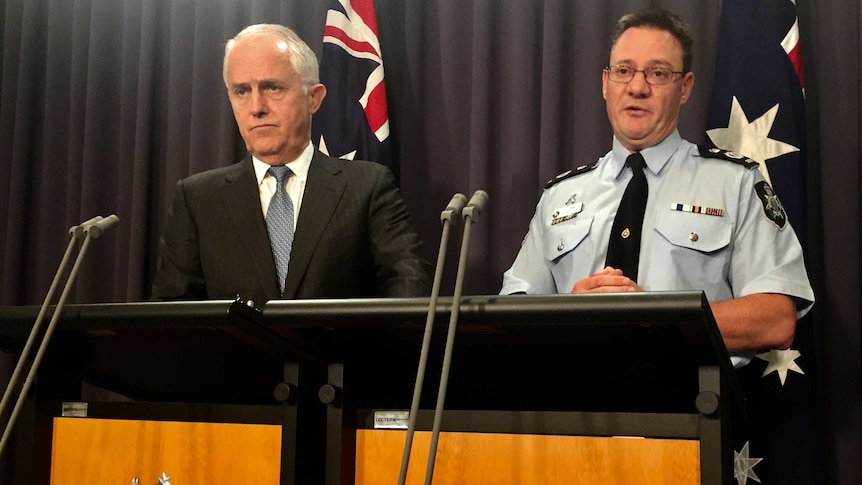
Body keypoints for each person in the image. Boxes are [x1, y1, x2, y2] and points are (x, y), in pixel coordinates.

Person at [500, 10, 814, 365]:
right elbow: (510, 315)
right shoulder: (559, 196)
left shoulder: (736, 183)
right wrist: (569, 312)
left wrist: (653, 319)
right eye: (623, 71)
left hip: (691, 405)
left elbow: (775, 318)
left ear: (686, 87)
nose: (637, 87)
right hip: (571, 409)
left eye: (658, 73)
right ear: (605, 83)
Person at [152, 24, 431, 306]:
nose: (256, 107)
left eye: (271, 87)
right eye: (241, 91)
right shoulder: (198, 199)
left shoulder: (366, 187)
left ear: (314, 98)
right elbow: (170, 313)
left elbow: (408, 282)